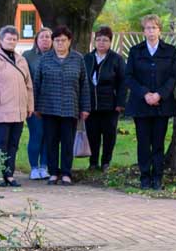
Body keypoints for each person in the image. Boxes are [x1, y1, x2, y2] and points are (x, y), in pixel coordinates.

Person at [124, 15, 176, 190]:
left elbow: (173, 76)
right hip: (141, 104)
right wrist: (145, 94)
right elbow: (129, 76)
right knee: (143, 142)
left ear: (159, 30)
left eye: (154, 28)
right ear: (143, 31)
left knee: (158, 143)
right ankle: (145, 177)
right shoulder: (135, 51)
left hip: (162, 105)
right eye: (148, 28)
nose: (151, 31)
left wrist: (159, 95)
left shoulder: (170, 51)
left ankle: (157, 177)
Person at [33, 26, 91, 184]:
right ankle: (53, 172)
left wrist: (85, 107)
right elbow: (37, 83)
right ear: (53, 42)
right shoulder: (45, 59)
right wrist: (35, 106)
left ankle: (66, 173)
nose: (60, 43)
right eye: (57, 40)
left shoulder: (78, 59)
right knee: (51, 141)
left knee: (67, 141)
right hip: (48, 107)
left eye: (63, 40)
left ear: (69, 41)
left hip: (70, 107)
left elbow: (84, 84)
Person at [0, 25, 34, 187]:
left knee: (13, 144)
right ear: (2, 40)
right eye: (8, 39)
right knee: (1, 144)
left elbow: (29, 85)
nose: (11, 42)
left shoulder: (21, 60)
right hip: (1, 110)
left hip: (19, 110)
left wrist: (30, 105)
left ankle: (9, 174)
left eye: (14, 39)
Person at [84, 26, 124, 170]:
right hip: (91, 105)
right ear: (94, 41)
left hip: (110, 105)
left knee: (109, 135)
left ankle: (106, 162)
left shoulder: (116, 59)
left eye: (105, 40)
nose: (101, 43)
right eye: (99, 39)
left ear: (110, 42)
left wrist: (120, 103)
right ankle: (93, 162)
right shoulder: (87, 58)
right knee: (92, 134)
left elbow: (123, 82)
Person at [21, 28, 54, 180]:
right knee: (37, 133)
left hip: (52, 103)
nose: (45, 40)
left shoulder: (56, 55)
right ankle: (34, 167)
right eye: (42, 37)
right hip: (33, 102)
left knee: (48, 135)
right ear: (36, 40)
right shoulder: (28, 56)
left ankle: (44, 166)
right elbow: (25, 80)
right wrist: (29, 104)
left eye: (48, 37)